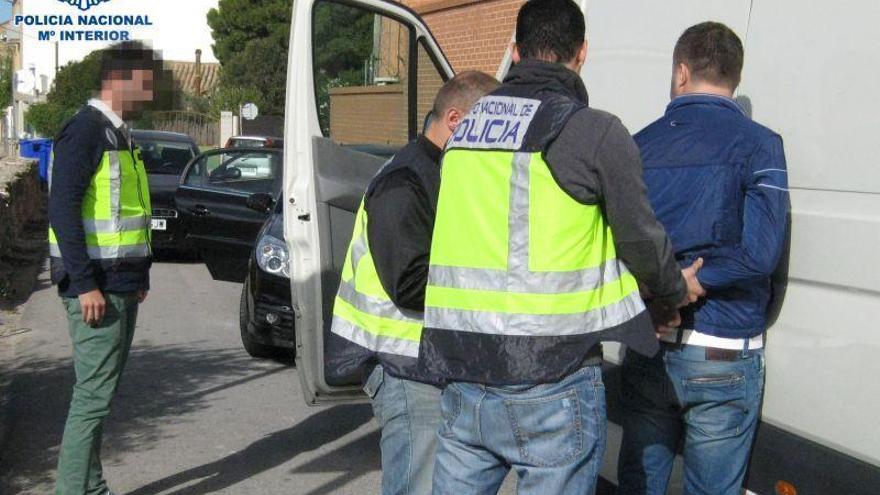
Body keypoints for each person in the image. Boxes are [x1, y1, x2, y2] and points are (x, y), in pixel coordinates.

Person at [421, 1, 704, 493]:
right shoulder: (592, 132)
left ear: (514, 50)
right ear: (582, 53)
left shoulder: (465, 133)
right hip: (550, 379)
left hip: (465, 373)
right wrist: (673, 290)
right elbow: (640, 238)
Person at [616, 22, 789, 495]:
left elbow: (614, 245)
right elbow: (761, 254)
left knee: (639, 484)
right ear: (735, 78)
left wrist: (666, 285)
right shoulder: (760, 144)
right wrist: (693, 280)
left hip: (651, 342)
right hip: (724, 352)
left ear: (681, 72)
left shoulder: (637, 143)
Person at [327, 71, 500, 495]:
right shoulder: (406, 181)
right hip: (402, 365)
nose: (499, 139)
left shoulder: (437, 173)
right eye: (491, 124)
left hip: (419, 362)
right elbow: (409, 283)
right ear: (456, 120)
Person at [49, 41, 166, 495]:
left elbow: (127, 215)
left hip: (118, 283)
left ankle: (90, 487)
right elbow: (62, 209)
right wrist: (85, 285)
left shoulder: (117, 132)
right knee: (93, 398)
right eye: (145, 85)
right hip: (95, 288)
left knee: (101, 395)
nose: (150, 95)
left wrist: (139, 276)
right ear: (120, 81)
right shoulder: (86, 131)